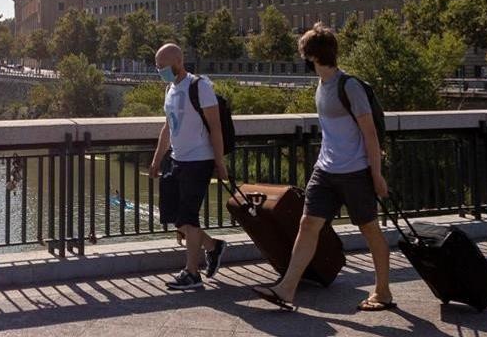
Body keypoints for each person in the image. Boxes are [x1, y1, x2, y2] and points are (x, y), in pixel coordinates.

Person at [252, 23, 394, 311]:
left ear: (313, 55)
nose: (302, 58)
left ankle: (383, 292)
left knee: (369, 229)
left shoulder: (349, 86)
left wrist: (376, 174)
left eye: (303, 53)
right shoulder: (321, 85)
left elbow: (370, 133)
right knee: (307, 225)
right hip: (326, 170)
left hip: (355, 171)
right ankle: (287, 289)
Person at [149, 43, 228, 290]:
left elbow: (215, 127)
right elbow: (168, 127)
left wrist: (219, 162)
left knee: (189, 218)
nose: (159, 70)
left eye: (162, 66)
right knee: (175, 217)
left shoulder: (200, 87)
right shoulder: (170, 89)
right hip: (177, 159)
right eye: (157, 67)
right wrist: (156, 159)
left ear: (178, 62)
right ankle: (213, 246)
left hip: (198, 160)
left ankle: (192, 273)